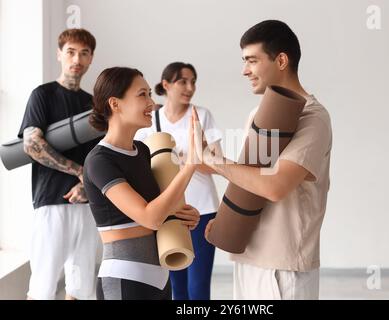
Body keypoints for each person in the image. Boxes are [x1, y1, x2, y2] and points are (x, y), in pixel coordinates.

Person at [203, 20, 333, 300]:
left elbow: (275, 186)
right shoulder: (258, 114)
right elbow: (247, 177)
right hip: (248, 256)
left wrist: (215, 161)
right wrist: (226, 219)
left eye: (252, 60)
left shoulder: (314, 118)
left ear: (282, 60)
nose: (244, 70)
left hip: (283, 268)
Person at [83, 67, 201, 300]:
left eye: (149, 93)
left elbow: (161, 209)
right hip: (124, 279)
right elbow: (149, 217)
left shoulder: (144, 151)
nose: (151, 102)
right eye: (142, 95)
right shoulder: (99, 160)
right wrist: (190, 166)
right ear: (115, 104)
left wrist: (183, 216)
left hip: (160, 278)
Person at [18, 28, 99, 300]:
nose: (77, 58)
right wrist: (80, 173)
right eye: (71, 52)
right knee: (43, 285)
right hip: (52, 200)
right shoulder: (42, 95)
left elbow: (98, 155)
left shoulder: (93, 104)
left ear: (91, 59)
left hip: (86, 204)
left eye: (84, 53)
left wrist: (87, 186)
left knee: (81, 288)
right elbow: (32, 145)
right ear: (59, 54)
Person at [134, 62, 222, 300]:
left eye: (193, 81)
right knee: (175, 287)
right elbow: (141, 164)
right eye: (183, 81)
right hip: (168, 208)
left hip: (203, 209)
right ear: (166, 85)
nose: (190, 87)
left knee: (198, 286)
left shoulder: (202, 115)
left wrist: (186, 158)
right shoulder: (150, 120)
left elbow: (217, 163)